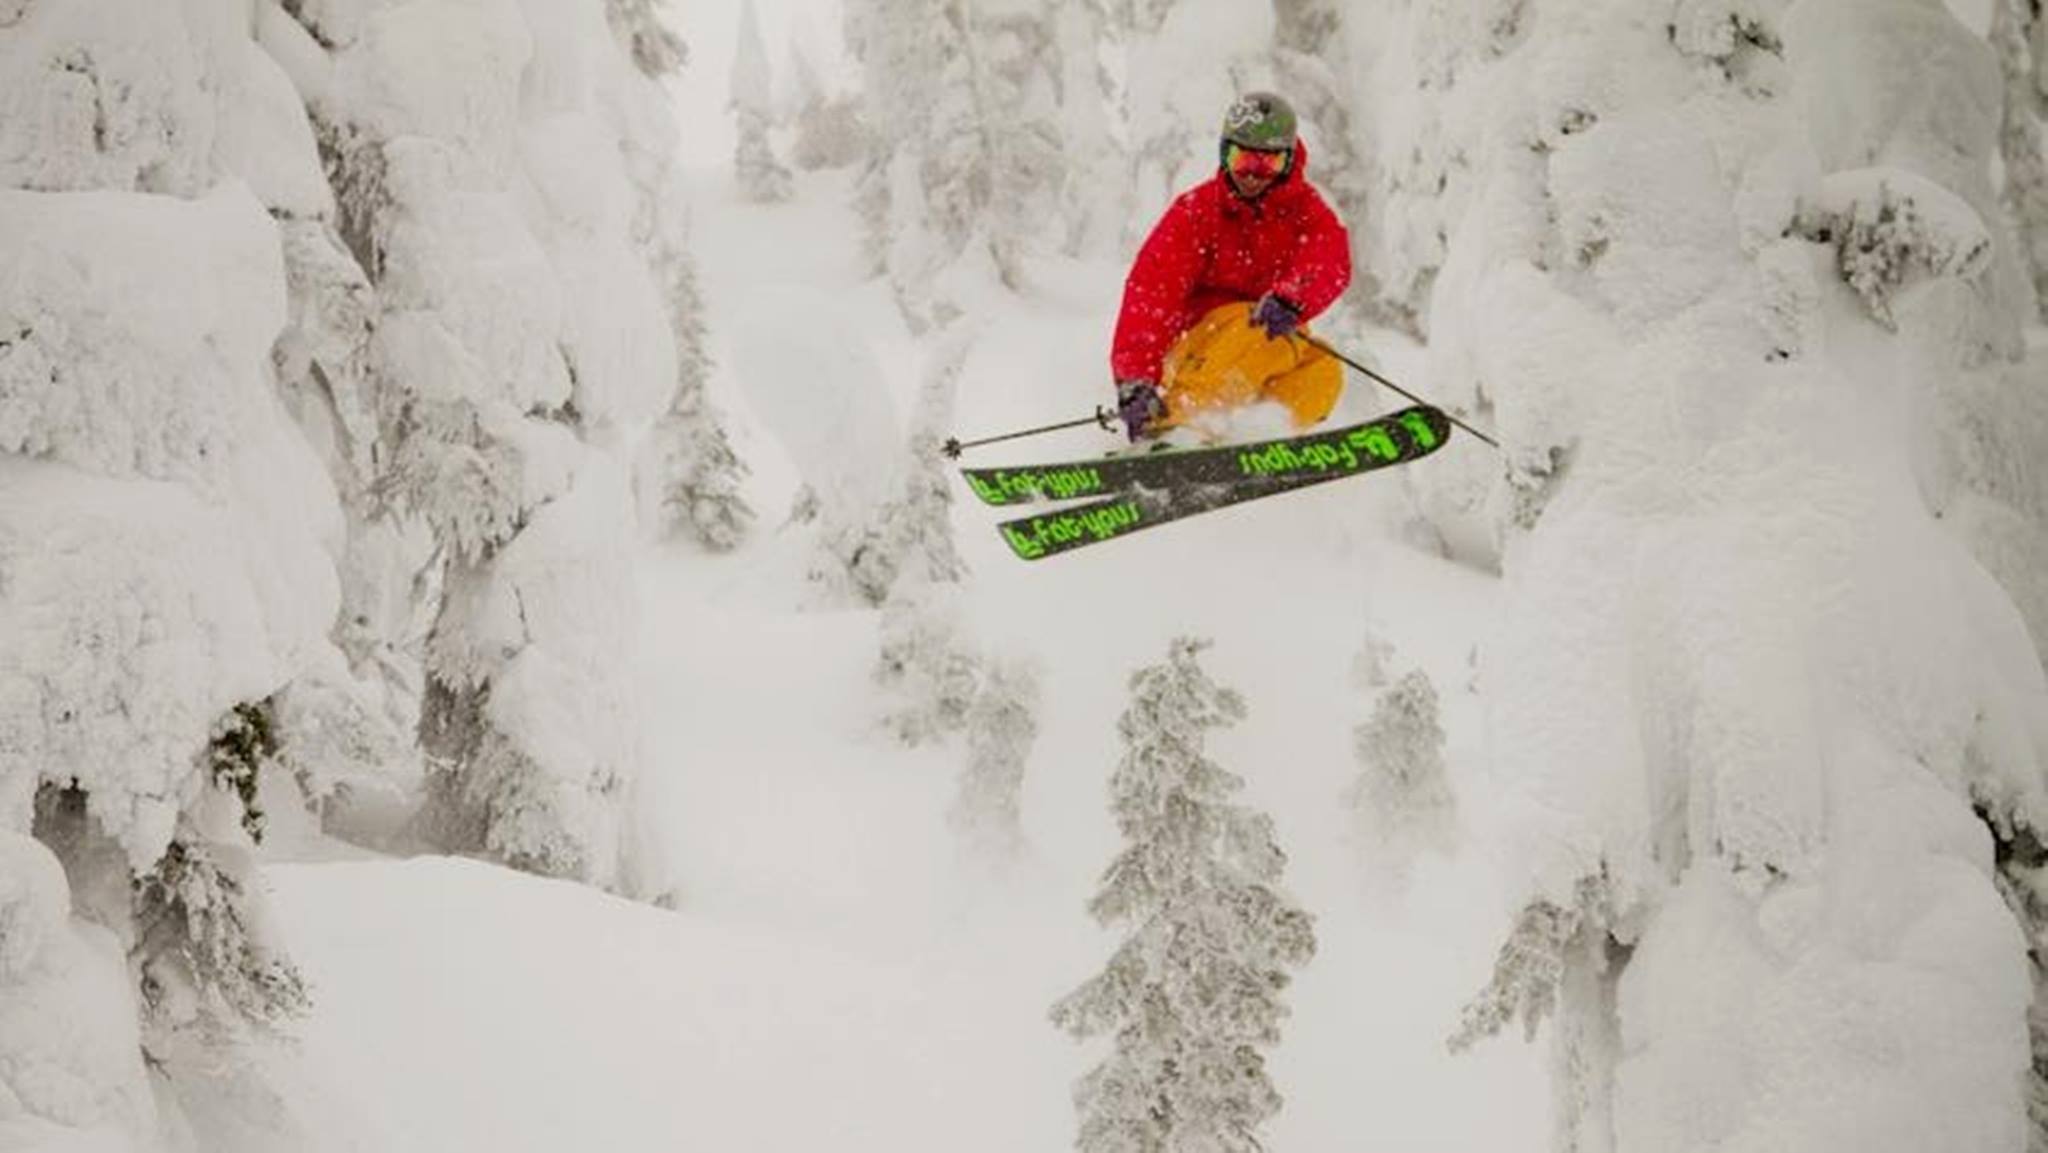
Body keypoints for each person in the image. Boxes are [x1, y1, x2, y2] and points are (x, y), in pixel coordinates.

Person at [1109, 91, 1353, 442]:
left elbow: (1329, 258)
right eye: (1242, 160)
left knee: (1323, 368)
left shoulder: (1304, 211)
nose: (1252, 175)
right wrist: (1135, 378)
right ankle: (1176, 429)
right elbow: (1152, 293)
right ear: (1224, 154)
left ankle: (1257, 435)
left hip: (1266, 342)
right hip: (1196, 351)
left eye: (1266, 164)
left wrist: (1292, 299)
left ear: (1288, 161)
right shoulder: (1197, 212)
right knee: (1251, 325)